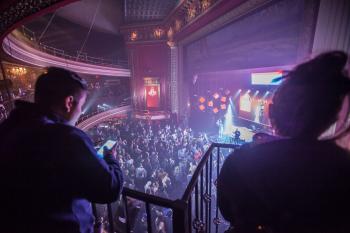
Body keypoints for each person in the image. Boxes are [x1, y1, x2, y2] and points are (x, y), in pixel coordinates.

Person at [218, 51, 350, 233]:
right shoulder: (343, 166)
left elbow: (227, 212)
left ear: (273, 112)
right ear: (332, 118)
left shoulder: (242, 161)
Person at [0, 67, 123, 233]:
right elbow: (110, 188)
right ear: (69, 102)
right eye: (81, 105)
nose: (80, 111)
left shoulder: (7, 128)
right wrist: (111, 158)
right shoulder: (67, 138)